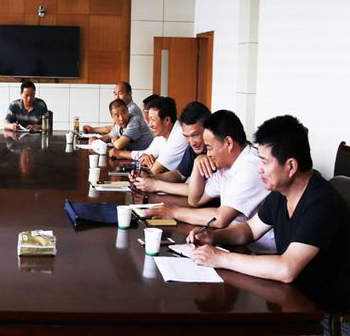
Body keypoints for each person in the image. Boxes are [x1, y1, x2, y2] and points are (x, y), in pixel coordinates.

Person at [188, 115, 350, 332]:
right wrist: (213, 236)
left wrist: (221, 258)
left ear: (290, 166)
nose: (259, 168)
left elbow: (286, 268)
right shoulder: (281, 194)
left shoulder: (321, 203)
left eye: (264, 161)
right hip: (297, 302)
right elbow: (249, 230)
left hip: (333, 320)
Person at [148, 110, 275, 252]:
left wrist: (174, 212)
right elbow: (195, 200)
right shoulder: (225, 164)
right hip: (235, 239)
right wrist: (197, 163)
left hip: (259, 250)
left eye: (209, 148)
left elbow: (220, 218)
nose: (207, 154)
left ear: (228, 143)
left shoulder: (252, 166)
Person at [132, 101, 211, 195]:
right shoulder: (191, 149)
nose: (192, 142)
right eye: (186, 136)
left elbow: (196, 191)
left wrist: (156, 185)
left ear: (209, 129)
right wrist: (149, 177)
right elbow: (179, 175)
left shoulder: (216, 153)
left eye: (195, 135)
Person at [111, 96, 187, 176]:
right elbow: (144, 155)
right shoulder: (161, 135)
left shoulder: (180, 135)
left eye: (152, 119)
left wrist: (148, 163)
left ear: (167, 120)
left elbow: (155, 170)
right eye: (149, 119)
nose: (150, 124)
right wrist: (144, 158)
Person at [82, 81, 148, 134]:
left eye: (120, 93)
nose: (117, 97)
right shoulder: (125, 108)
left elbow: (113, 131)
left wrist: (95, 133)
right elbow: (114, 128)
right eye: (115, 94)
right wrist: (92, 129)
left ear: (129, 94)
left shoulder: (132, 110)